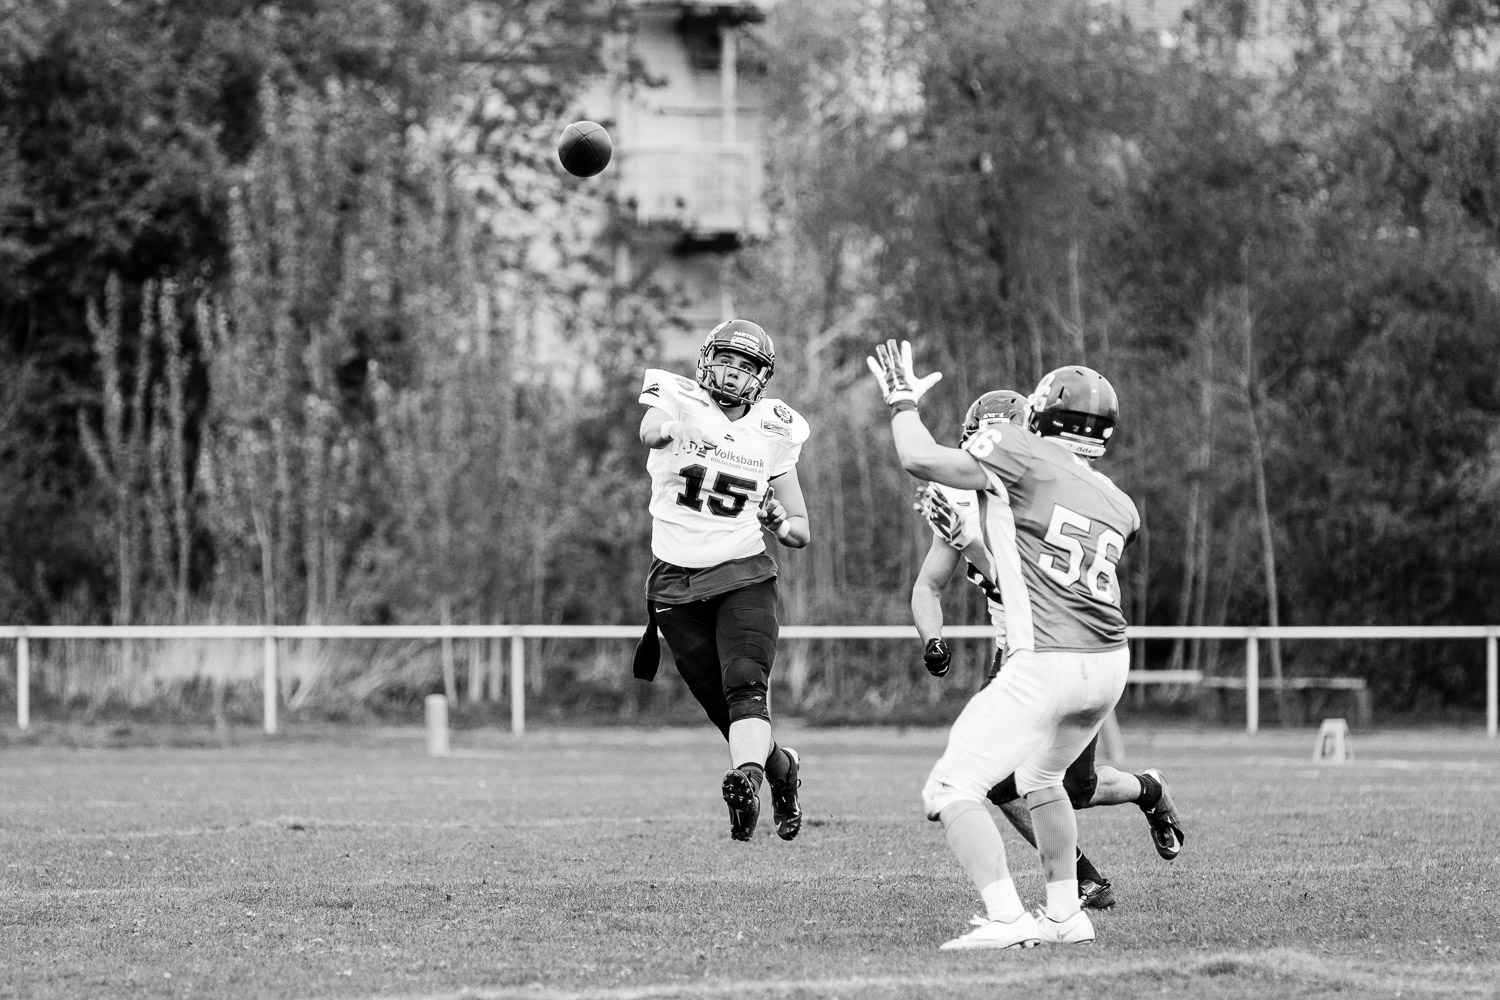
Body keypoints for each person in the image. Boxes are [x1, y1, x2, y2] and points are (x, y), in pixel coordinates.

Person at [868, 339, 1156, 950]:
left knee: (950, 790)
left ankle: (1005, 917)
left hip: (1044, 660)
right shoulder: (1119, 502)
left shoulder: (1018, 451)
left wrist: (900, 401)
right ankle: (1064, 914)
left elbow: (918, 458)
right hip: (1108, 665)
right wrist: (974, 542)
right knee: (1043, 782)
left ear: (1041, 412)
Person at [910, 390, 1186, 916]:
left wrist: (972, 543)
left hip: (1056, 650)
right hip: (1024, 656)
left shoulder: (1045, 489)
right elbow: (929, 585)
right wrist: (934, 639)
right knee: (1009, 784)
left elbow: (1024, 589)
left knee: (1069, 788)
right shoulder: (967, 496)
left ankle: (1146, 790)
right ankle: (1080, 882)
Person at [631, 318, 811, 843]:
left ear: (762, 377)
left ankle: (747, 780)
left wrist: (781, 523)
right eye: (727, 360)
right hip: (676, 584)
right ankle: (782, 773)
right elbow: (648, 430)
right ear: (707, 360)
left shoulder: (777, 428)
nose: (733, 374)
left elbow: (800, 529)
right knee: (727, 715)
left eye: (746, 366)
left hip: (742, 573)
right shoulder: (678, 398)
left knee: (746, 686)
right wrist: (672, 430)